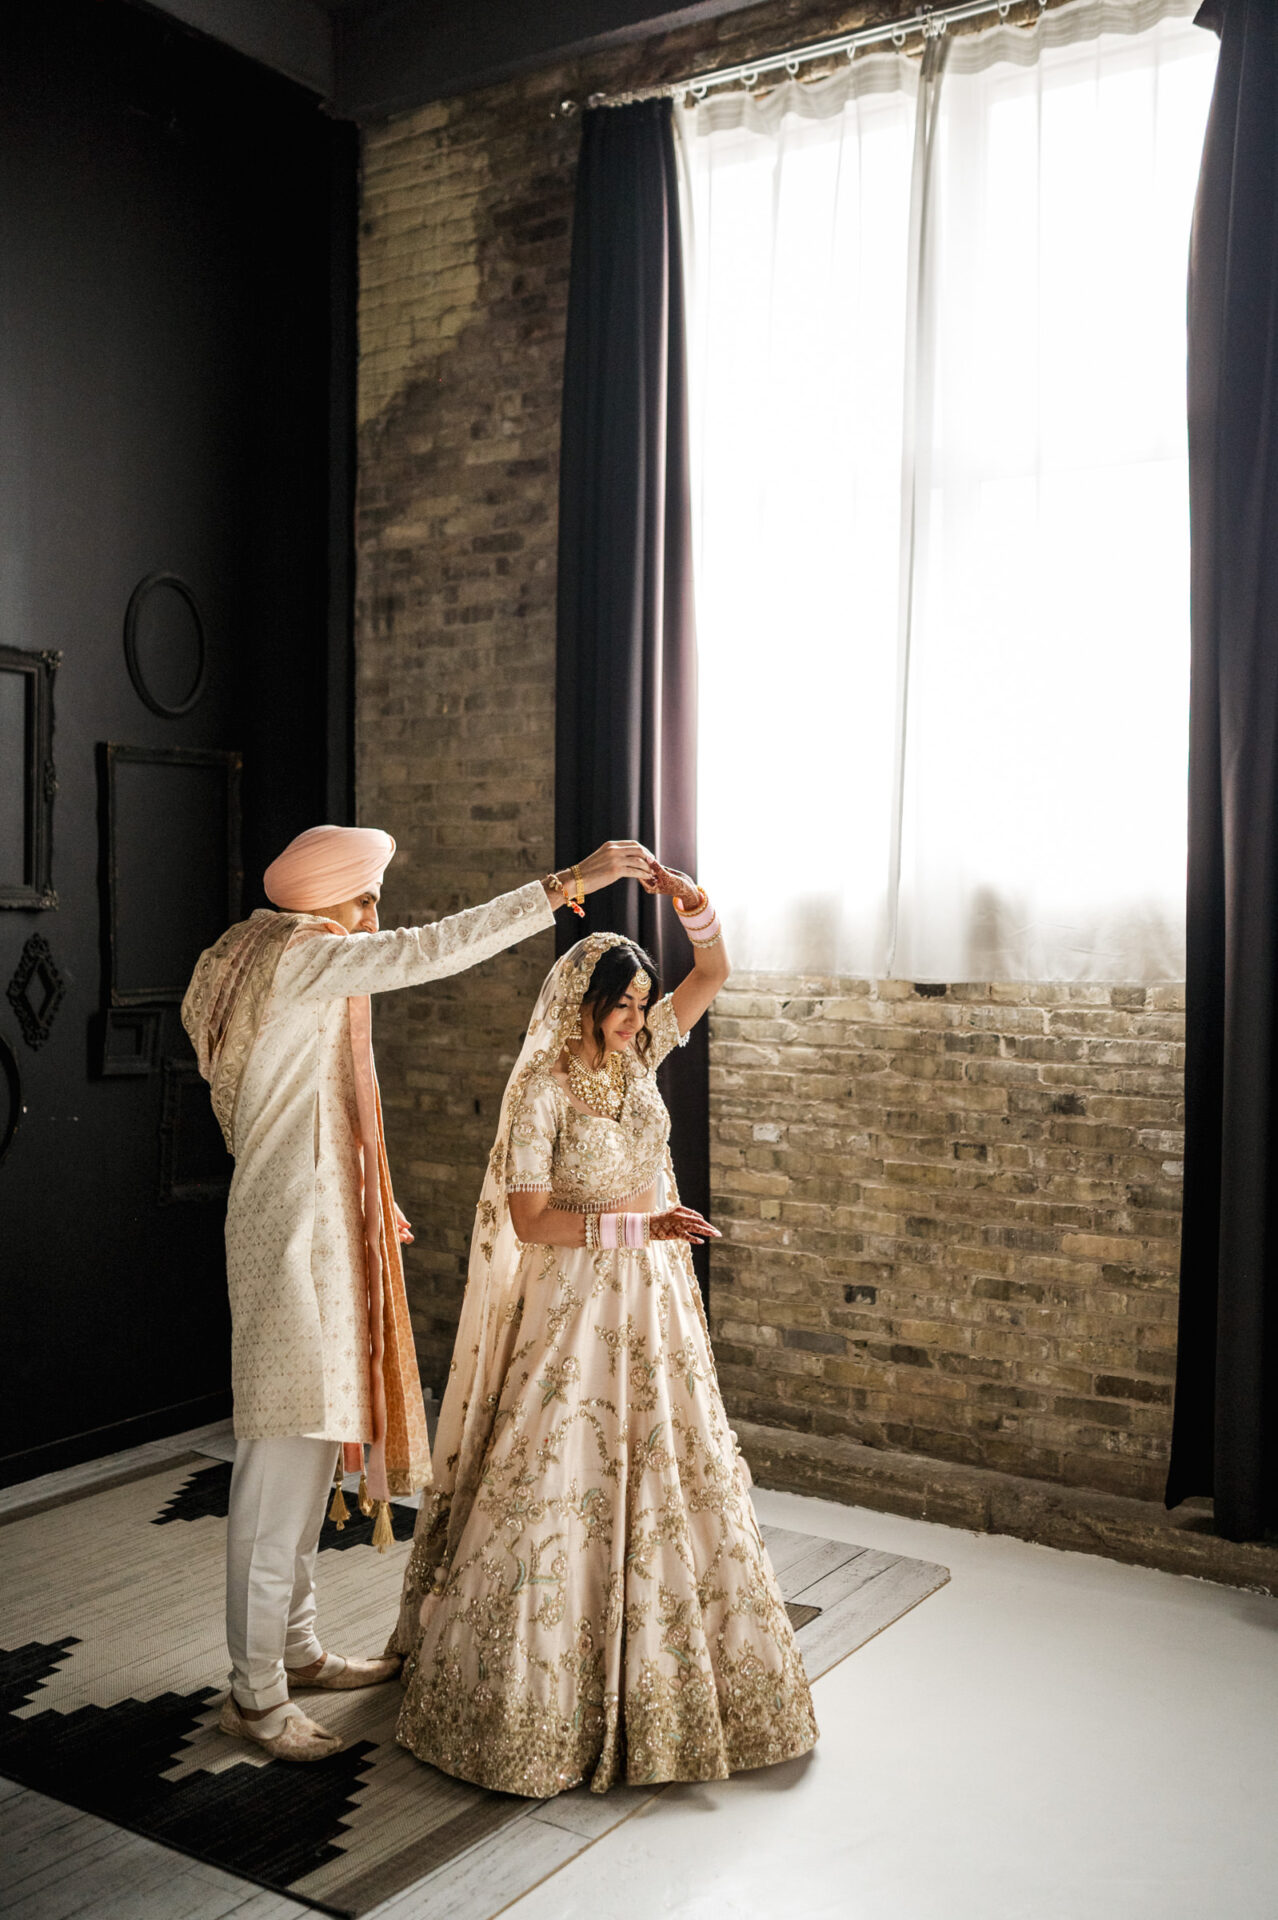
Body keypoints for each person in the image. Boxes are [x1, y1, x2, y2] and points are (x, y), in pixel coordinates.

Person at [181, 824, 654, 1762]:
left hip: (311, 1221)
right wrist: (568, 885)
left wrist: (368, 1194)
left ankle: (300, 1652)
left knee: (313, 1451)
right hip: (291, 1239)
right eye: (367, 897)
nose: (375, 915)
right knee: (279, 1470)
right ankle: (256, 1696)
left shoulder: (238, 950)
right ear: (331, 902)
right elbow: (433, 949)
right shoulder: (304, 958)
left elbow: (299, 1091)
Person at [386, 862, 819, 1796]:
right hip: (575, 1296)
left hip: (652, 1291)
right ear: (581, 1003)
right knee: (558, 1477)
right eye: (620, 1006)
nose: (633, 1019)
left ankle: (675, 1677)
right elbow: (532, 1218)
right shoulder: (542, 1086)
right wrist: (639, 1224)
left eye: (639, 1005)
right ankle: (532, 1694)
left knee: (673, 1466)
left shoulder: (637, 1059)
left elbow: (714, 975)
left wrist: (689, 903)